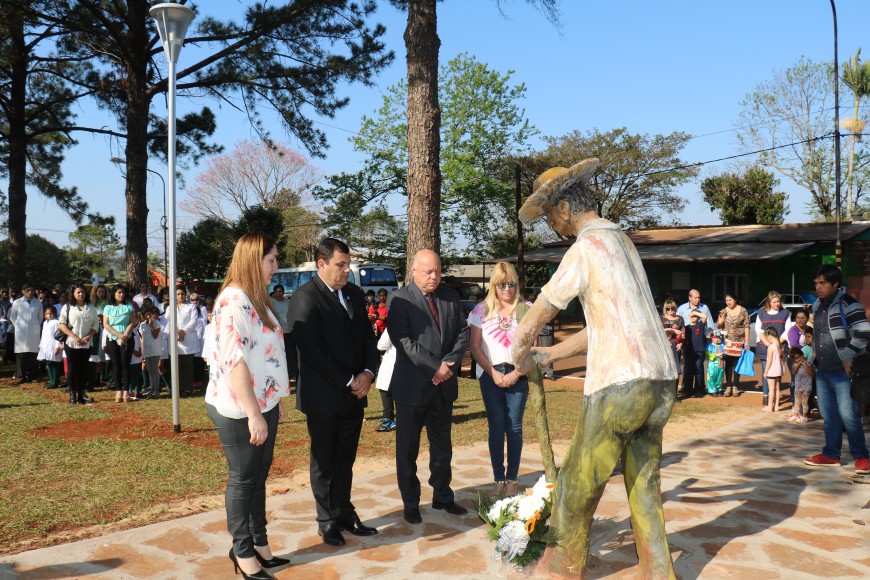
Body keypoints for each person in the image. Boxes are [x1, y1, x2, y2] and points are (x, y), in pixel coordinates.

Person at [511, 158, 677, 577]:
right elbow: (608, 324)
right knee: (644, 483)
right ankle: (658, 570)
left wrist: (520, 354)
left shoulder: (584, 249)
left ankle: (560, 569)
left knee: (576, 485)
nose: (553, 227)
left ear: (565, 208)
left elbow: (537, 316)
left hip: (619, 386)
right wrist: (551, 355)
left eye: (551, 217)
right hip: (660, 381)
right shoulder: (623, 244)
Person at [206, 233, 291, 579]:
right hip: (239, 407)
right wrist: (255, 413)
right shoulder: (233, 301)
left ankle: (259, 542)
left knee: (258, 475)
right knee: (244, 478)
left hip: (262, 402)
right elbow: (235, 362)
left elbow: (267, 355)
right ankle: (242, 551)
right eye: (272, 259)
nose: (276, 266)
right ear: (254, 260)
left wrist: (273, 399)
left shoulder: (256, 298)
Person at [286, 238, 380, 547]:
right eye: (341, 265)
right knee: (324, 460)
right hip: (323, 397)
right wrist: (350, 379)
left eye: (348, 264)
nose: (347, 270)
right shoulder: (304, 298)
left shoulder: (353, 293)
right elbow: (312, 350)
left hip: (354, 394)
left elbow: (367, 337)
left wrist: (368, 373)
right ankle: (326, 520)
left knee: (345, 459)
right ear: (321, 264)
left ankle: (344, 513)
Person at [387, 249, 471, 525]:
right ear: (414, 271)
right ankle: (410, 501)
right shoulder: (399, 298)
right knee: (408, 448)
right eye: (428, 271)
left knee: (442, 445)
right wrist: (435, 367)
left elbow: (462, 333)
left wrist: (448, 366)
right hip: (412, 387)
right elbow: (403, 340)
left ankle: (443, 495)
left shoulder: (450, 297)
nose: (434, 276)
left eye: (437, 270)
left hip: (443, 387)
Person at [468, 262, 531, 498]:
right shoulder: (481, 310)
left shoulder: (526, 309)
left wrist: (517, 373)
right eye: (502, 284)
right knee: (496, 428)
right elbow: (475, 347)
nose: (507, 289)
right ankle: (498, 479)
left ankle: (512, 480)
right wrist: (493, 373)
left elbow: (532, 347)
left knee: (514, 428)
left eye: (511, 284)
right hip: (490, 374)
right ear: (494, 285)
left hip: (518, 375)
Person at [803, 265, 870, 475]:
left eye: (822, 283)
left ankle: (861, 457)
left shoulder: (849, 304)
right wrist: (814, 359)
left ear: (835, 284)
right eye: (816, 283)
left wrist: (848, 355)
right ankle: (831, 454)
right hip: (823, 370)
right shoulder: (817, 306)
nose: (818, 287)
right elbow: (820, 335)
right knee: (829, 415)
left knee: (849, 415)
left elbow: (864, 333)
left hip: (843, 372)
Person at [57, 284, 99, 405]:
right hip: (71, 342)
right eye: (78, 292)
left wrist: (89, 336)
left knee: (83, 368)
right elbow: (61, 324)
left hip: (86, 343)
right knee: (72, 368)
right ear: (73, 294)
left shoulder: (90, 307)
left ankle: (81, 393)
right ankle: (72, 394)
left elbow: (95, 324)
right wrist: (74, 336)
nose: (81, 294)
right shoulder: (67, 307)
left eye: (83, 292)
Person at [754, 291, 793, 407]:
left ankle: (775, 398)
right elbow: (758, 329)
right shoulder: (761, 312)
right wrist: (768, 343)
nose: (777, 304)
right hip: (764, 347)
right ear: (769, 302)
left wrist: (777, 344)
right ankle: (766, 396)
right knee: (766, 371)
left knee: (777, 372)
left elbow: (788, 330)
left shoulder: (785, 313)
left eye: (778, 301)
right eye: (774, 302)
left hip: (780, 347)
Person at [103, 285, 137, 403]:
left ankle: (126, 390)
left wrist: (125, 335)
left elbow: (132, 322)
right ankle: (118, 390)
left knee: (125, 364)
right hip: (112, 338)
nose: (121, 295)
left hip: (127, 338)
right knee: (116, 364)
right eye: (119, 292)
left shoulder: (129, 306)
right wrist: (118, 335)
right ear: (114, 294)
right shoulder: (108, 308)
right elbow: (106, 324)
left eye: (123, 293)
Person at [716, 293, 750, 397]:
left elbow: (747, 326)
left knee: (737, 364)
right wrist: (720, 322)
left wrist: (747, 342)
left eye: (730, 300)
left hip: (739, 342)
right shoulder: (723, 311)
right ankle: (728, 386)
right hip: (727, 342)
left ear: (735, 300)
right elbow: (718, 326)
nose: (728, 302)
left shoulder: (743, 310)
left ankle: (735, 386)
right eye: (727, 300)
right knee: (728, 364)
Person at [9, 283, 43, 384]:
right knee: (21, 355)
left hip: (34, 331)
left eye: (32, 290)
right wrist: (18, 327)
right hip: (21, 332)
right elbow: (12, 317)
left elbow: (40, 317)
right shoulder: (17, 302)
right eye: (28, 290)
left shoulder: (38, 303)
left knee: (33, 354)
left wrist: (34, 326)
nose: (30, 292)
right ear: (23, 291)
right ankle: (21, 376)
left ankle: (33, 376)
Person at [174, 287, 201, 395]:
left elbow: (194, 321)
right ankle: (178, 388)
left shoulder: (191, 307)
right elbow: (168, 321)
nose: (180, 296)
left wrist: (183, 332)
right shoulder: (171, 308)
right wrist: (176, 333)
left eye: (182, 294)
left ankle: (187, 388)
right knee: (177, 365)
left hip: (188, 338)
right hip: (175, 339)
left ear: (185, 295)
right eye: (178, 294)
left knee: (187, 365)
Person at [374, 329, 397, 432]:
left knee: (385, 391)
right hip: (410, 363)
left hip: (392, 362)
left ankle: (388, 420)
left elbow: (381, 345)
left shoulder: (393, 325)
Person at [681, 310, 707, 398]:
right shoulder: (686, 327)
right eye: (691, 316)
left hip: (699, 351)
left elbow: (704, 317)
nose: (692, 317)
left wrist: (694, 313)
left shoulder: (700, 325)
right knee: (688, 371)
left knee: (698, 370)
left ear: (698, 317)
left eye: (695, 316)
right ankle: (688, 390)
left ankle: (699, 389)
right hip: (688, 351)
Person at [37, 306, 64, 389]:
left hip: (53, 346)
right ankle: (51, 380)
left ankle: (55, 381)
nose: (49, 315)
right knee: (48, 363)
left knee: (54, 364)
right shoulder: (45, 323)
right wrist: (41, 346)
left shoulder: (56, 322)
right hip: (46, 346)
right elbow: (44, 335)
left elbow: (59, 335)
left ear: (55, 313)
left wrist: (57, 347)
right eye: (47, 313)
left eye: (51, 313)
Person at [269, 285, 293, 373]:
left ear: (283, 292)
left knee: (290, 352)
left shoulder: (288, 302)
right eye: (277, 292)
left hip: (289, 331)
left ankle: (291, 371)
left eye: (280, 291)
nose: (279, 293)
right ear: (274, 293)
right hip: (279, 332)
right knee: (281, 353)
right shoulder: (271, 303)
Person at [660, 300, 684, 389]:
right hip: (663, 346)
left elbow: (683, 333)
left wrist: (681, 344)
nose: (670, 310)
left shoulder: (680, 319)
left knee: (675, 368)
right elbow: (656, 331)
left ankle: (674, 392)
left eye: (672, 308)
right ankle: (664, 390)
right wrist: (666, 330)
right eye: (668, 308)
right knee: (665, 368)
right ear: (665, 309)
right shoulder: (660, 318)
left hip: (676, 345)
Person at [139, 306, 163, 398]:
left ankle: (156, 389)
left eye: (150, 314)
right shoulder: (142, 325)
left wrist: (151, 325)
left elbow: (155, 335)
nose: (149, 317)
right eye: (146, 315)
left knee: (154, 369)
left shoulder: (156, 323)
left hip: (155, 349)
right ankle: (152, 388)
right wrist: (142, 350)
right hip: (146, 350)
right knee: (149, 370)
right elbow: (142, 338)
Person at [761, 326, 785, 412]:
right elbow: (782, 359)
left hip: (771, 371)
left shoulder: (771, 347)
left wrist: (766, 371)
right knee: (777, 389)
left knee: (771, 389)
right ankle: (776, 406)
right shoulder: (779, 346)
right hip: (778, 371)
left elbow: (769, 361)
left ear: (770, 336)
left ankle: (770, 406)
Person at [789, 347, 814, 424]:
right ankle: (796, 414)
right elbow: (793, 372)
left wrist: (804, 364)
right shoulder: (794, 365)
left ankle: (804, 416)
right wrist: (799, 364)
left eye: (800, 357)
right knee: (797, 402)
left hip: (806, 387)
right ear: (794, 359)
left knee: (804, 402)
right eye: (796, 358)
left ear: (802, 355)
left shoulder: (808, 363)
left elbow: (811, 373)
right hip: (798, 387)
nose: (799, 359)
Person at [705, 330, 725, 396]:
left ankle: (719, 389)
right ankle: (712, 390)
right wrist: (715, 355)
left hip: (720, 364)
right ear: (712, 338)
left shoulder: (722, 346)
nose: (717, 339)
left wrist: (723, 355)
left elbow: (726, 353)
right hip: (712, 364)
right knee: (711, 376)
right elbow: (708, 355)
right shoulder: (709, 346)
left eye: (719, 338)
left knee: (720, 376)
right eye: (715, 338)